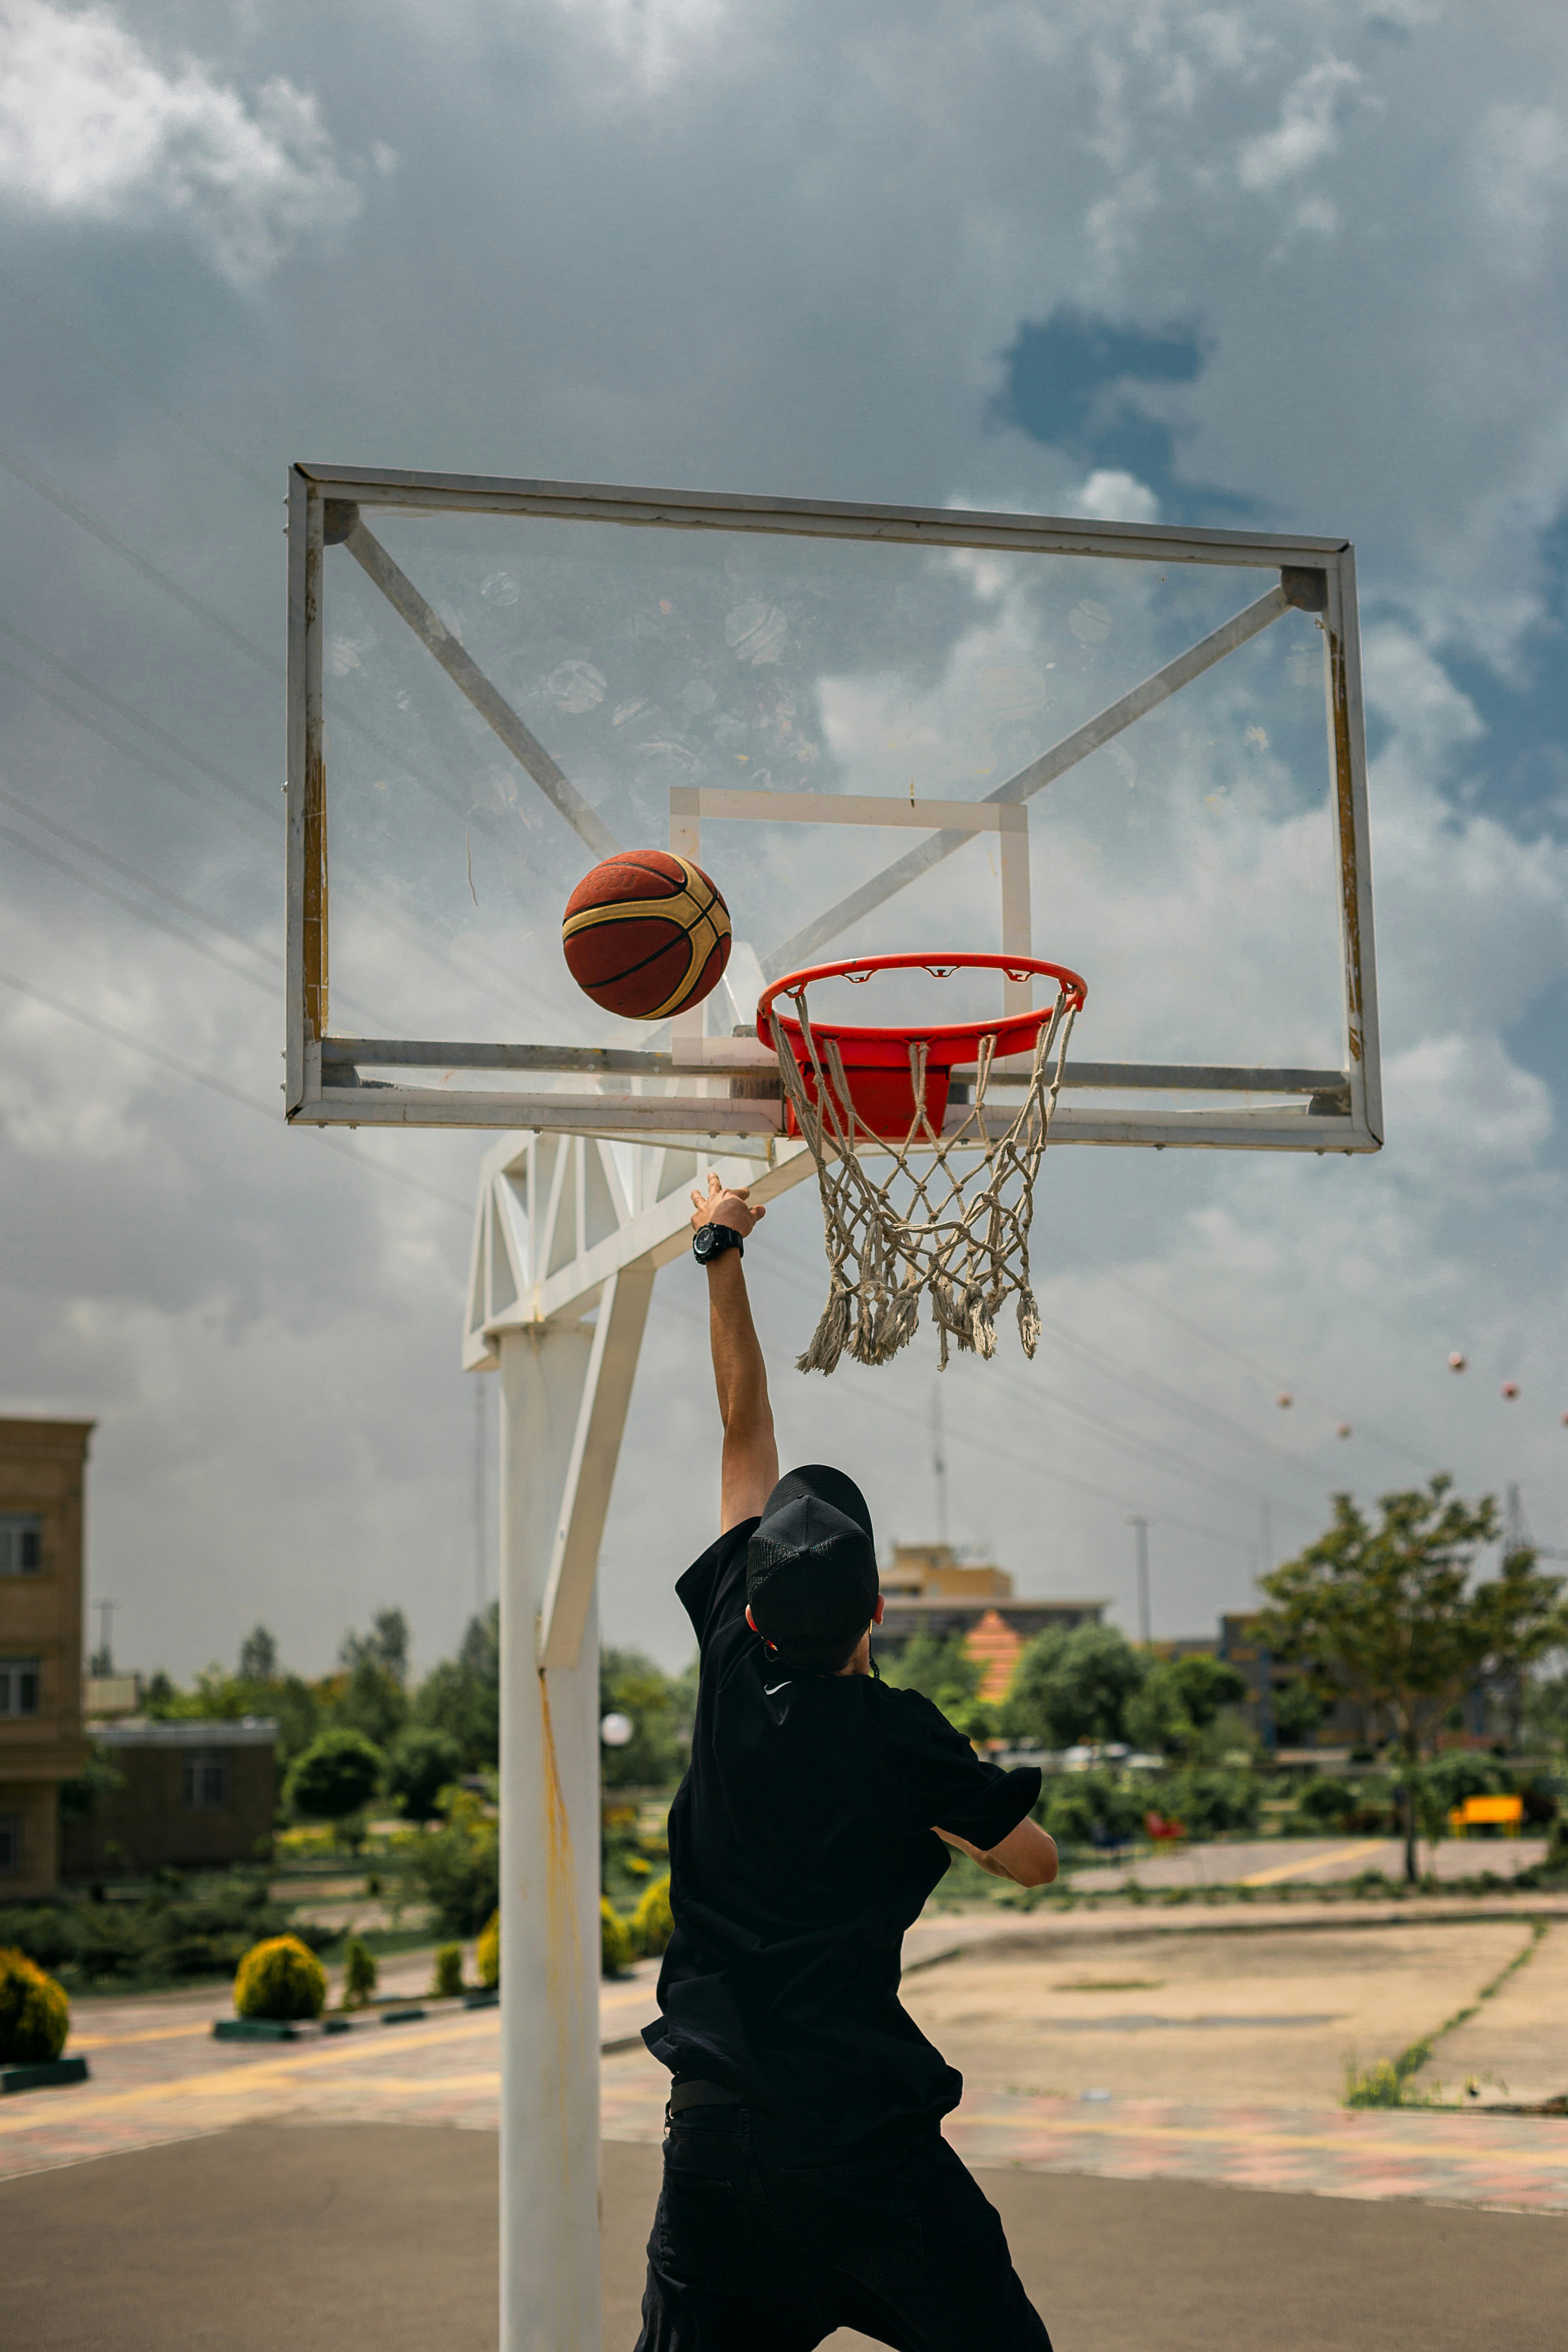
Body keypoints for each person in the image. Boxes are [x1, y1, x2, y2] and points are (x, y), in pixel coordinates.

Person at [634, 1172, 1058, 2352]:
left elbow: (742, 1429)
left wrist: (719, 1248)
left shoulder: (729, 1654)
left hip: (716, 2137)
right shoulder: (903, 1737)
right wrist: (946, 1803)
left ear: (755, 1606)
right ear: (878, 1606)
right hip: (863, 2147)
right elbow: (1035, 1861)